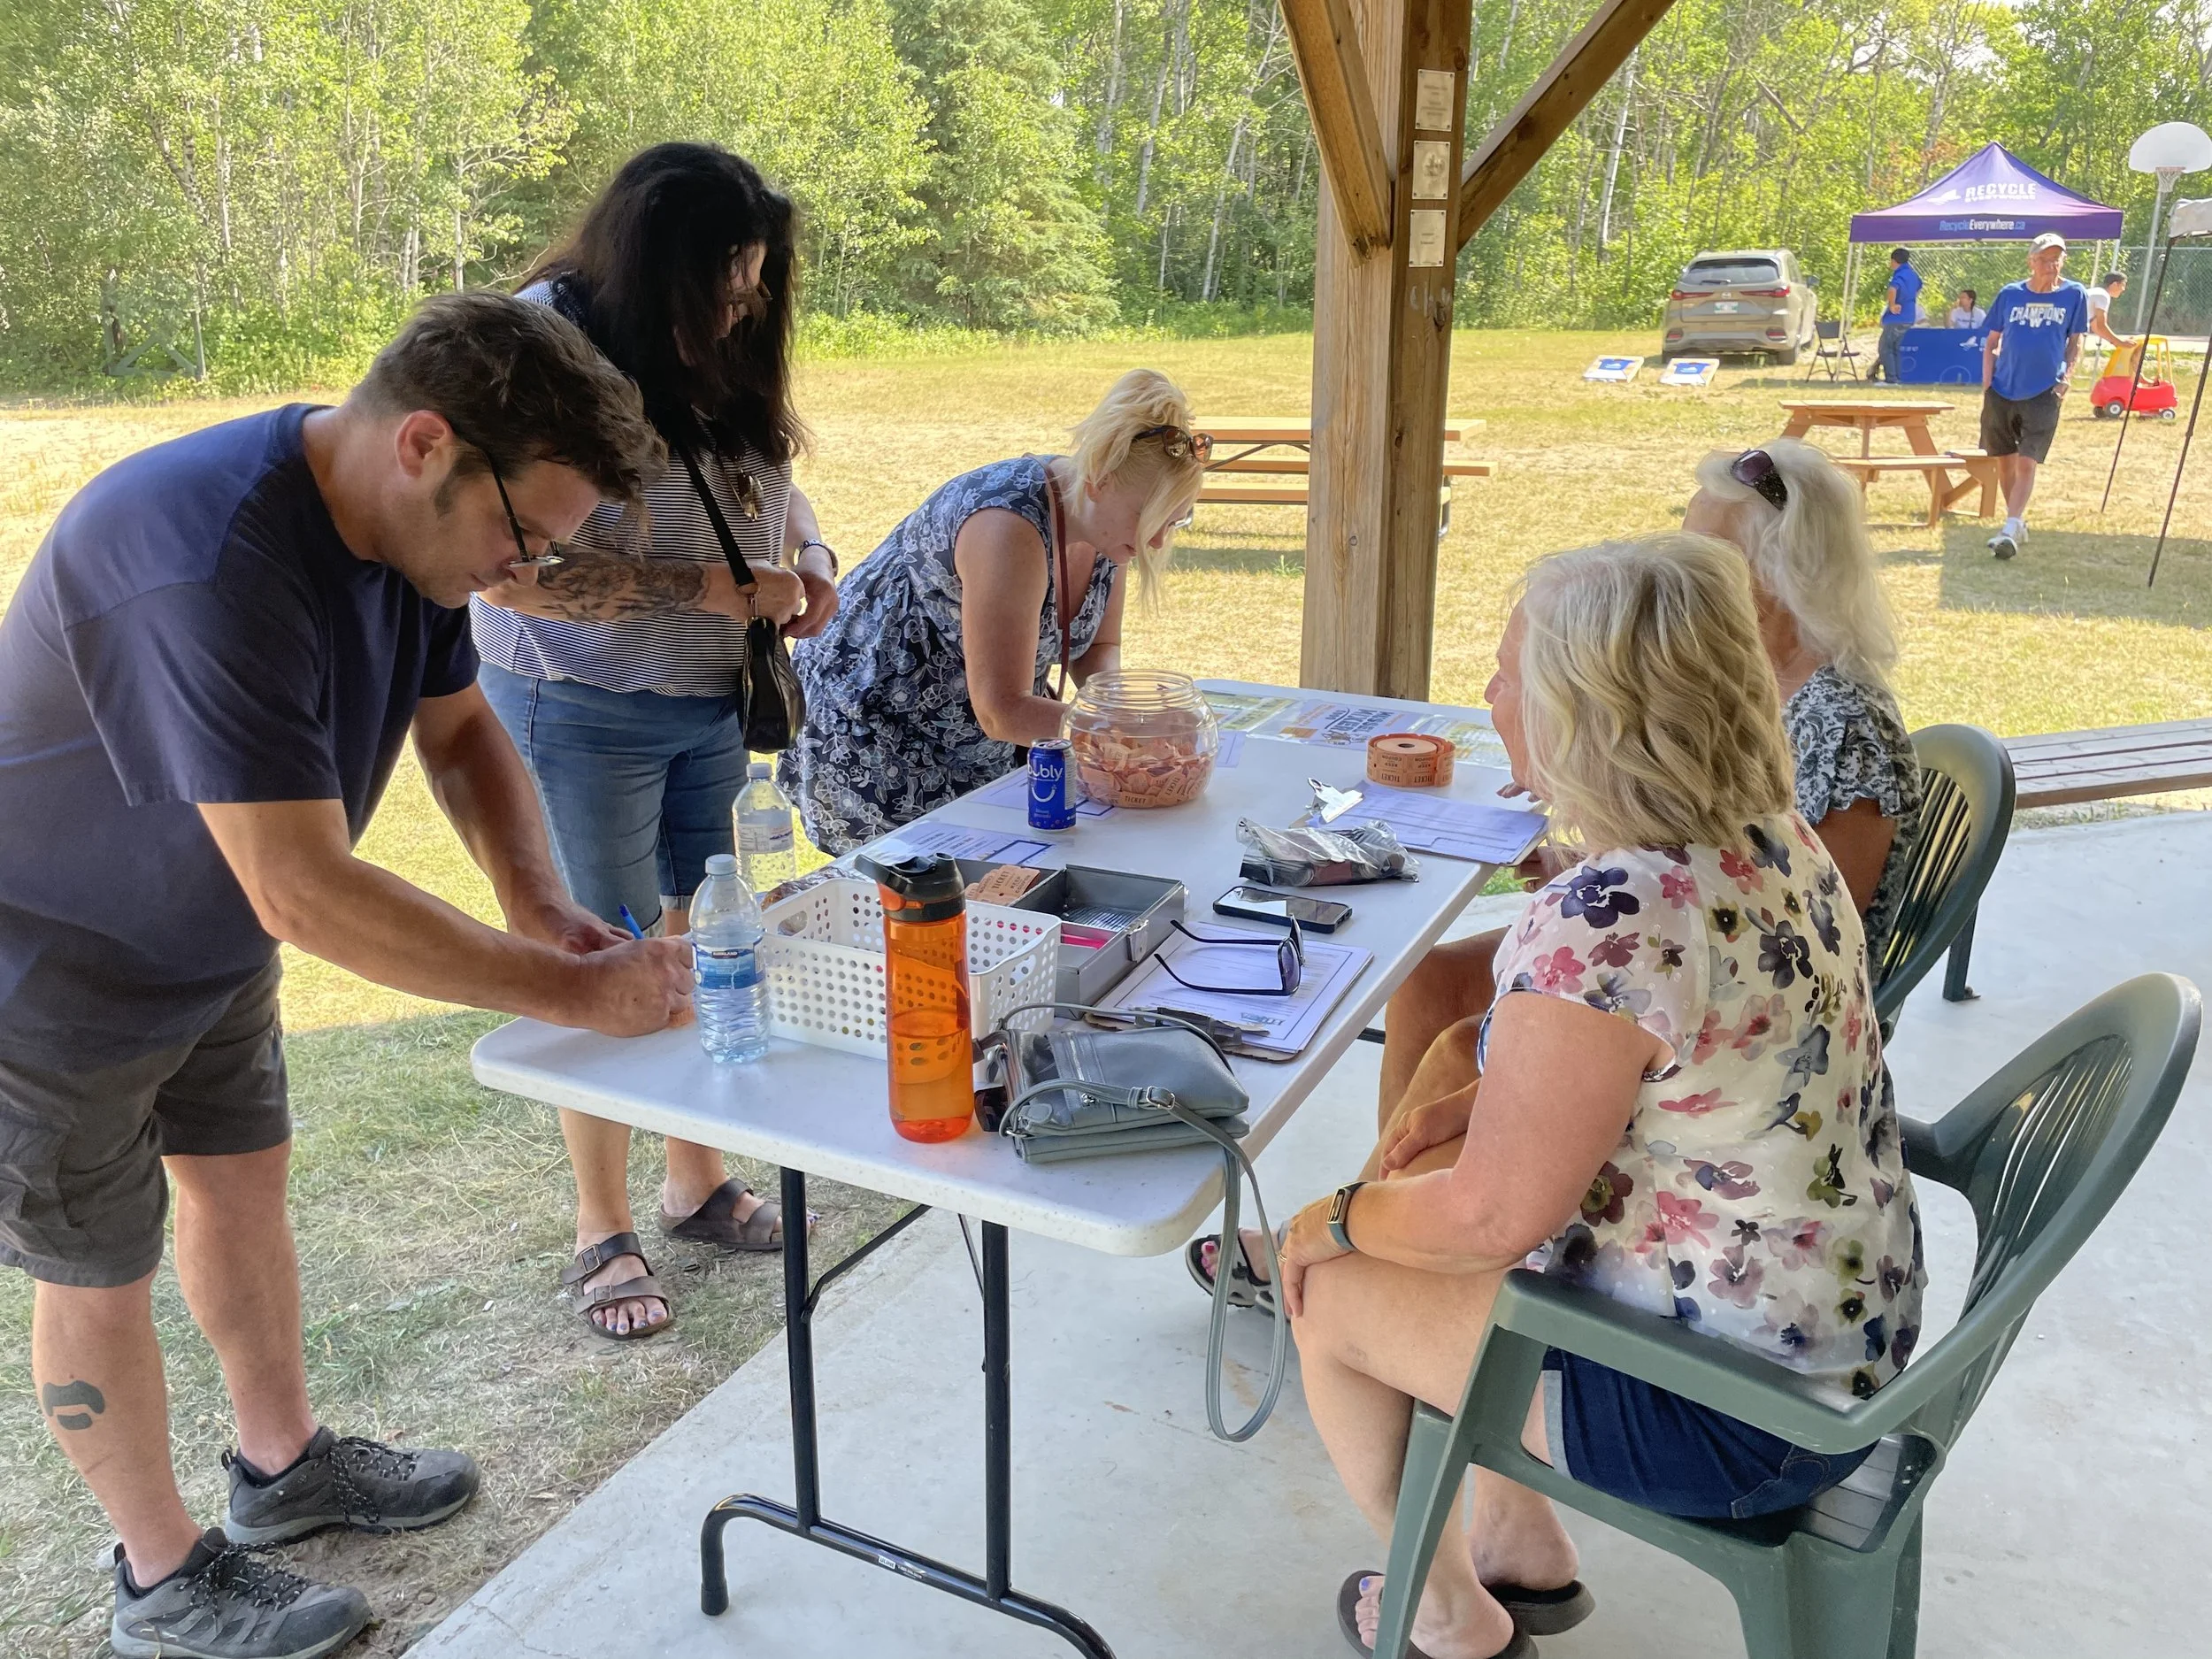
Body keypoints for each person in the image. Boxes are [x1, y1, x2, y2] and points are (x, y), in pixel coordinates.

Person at [0, 292, 694, 1659]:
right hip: (48, 956)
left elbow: (461, 733)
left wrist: (542, 907)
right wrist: (571, 994)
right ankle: (159, 1576)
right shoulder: (204, 555)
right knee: (94, 1263)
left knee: (242, 1182)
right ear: (428, 441)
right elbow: (304, 887)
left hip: (202, 933)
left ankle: (282, 1465)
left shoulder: (406, 535)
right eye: (523, 533)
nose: (521, 571)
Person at [1274, 534, 1925, 1659]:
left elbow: (1492, 1218)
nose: (1485, 694)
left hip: (1736, 1419)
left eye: (1508, 671)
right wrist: (1472, 1114)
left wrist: (1325, 1221)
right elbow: (1695, 1065)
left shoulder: (1610, 915)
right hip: (1839, 1341)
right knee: (1423, 1210)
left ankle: (1448, 1621)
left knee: (1332, 1296)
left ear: (1590, 710)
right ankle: (1522, 1546)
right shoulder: (1778, 841)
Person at [1187, 442, 1921, 1308]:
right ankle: (1389, 1231)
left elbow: (1766, 943)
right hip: (1705, 998)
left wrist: (1587, 881)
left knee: (1463, 1067)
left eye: (1707, 557)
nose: (1679, 572)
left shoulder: (1831, 725)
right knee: (1442, 1005)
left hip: (1733, 1053)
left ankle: (1367, 1261)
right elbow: (1701, 889)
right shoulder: (1752, 732)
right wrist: (1583, 843)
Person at [472, 142, 839, 1340]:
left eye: (752, 287)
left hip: (705, 699)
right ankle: (600, 1224)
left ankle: (693, 1179)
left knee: (697, 933)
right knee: (605, 951)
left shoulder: (718, 326)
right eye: (722, 288)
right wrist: (717, 591)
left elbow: (762, 470)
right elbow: (514, 570)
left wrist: (813, 558)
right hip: (581, 698)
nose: (739, 309)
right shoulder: (542, 346)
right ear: (650, 267)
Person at [781, 371, 1208, 854]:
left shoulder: (1112, 527)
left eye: (1172, 523)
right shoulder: (1008, 526)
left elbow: (1098, 651)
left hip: (968, 729)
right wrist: (1120, 734)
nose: (1155, 541)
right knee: (918, 905)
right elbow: (1002, 710)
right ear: (1098, 483)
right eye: (1148, 521)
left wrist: (1117, 710)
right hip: (875, 727)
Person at [1981, 233, 2089, 562]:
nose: (2051, 264)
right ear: (2031, 262)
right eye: (2044, 258)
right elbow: (1991, 342)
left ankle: (2010, 528)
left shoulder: (2074, 294)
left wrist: (2066, 379)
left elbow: (2076, 341)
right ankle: (2015, 521)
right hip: (2002, 390)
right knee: (2005, 461)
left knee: (2027, 460)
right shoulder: (2010, 294)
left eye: (2057, 258)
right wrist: (1987, 384)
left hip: (2044, 391)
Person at [1875, 248, 1920, 382]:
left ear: (1894, 261)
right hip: (1909, 315)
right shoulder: (1913, 274)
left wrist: (1892, 305)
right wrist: (1910, 299)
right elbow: (1919, 286)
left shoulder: (1899, 274)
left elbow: (1893, 288)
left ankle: (1891, 378)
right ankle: (1898, 377)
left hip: (1897, 317)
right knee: (1896, 348)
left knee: (1885, 348)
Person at [2085, 270, 2131, 351]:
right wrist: (2120, 342)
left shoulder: (2098, 292)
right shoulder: (2103, 296)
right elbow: (2101, 325)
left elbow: (2096, 327)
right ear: (2114, 284)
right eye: (2123, 285)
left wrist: (2115, 342)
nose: (2124, 289)